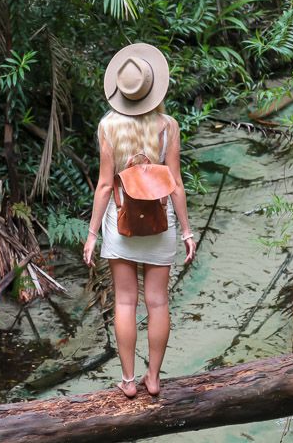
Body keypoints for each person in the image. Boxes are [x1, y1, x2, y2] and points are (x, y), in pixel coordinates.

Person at [83, 43, 197, 399]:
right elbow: (175, 184)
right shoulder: (168, 126)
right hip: (160, 222)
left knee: (125, 302)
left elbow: (104, 185)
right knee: (159, 302)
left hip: (120, 223)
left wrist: (91, 235)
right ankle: (154, 379)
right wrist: (188, 231)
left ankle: (129, 381)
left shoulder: (108, 127)